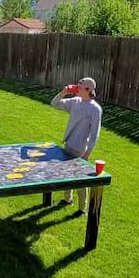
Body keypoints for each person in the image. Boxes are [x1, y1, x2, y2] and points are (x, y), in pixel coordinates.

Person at [51, 77, 102, 214]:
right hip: (69, 145)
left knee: (80, 180)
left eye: (80, 85)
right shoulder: (75, 101)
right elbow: (54, 104)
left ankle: (81, 208)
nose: (76, 87)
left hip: (80, 150)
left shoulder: (95, 109)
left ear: (88, 90)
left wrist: (87, 154)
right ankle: (67, 199)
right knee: (68, 175)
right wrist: (63, 93)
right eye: (77, 84)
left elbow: (94, 135)